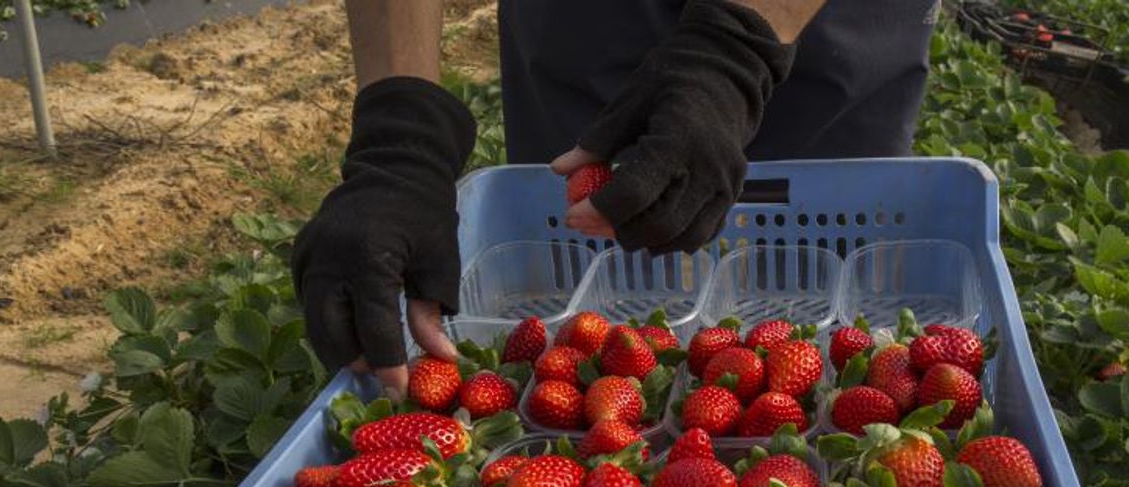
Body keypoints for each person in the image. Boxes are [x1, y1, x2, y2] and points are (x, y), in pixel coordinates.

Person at [292, 0, 938, 400]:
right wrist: (402, 132)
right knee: (597, 211)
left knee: (821, 267)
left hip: (830, 20)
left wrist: (739, 48)